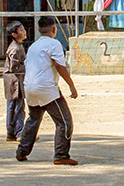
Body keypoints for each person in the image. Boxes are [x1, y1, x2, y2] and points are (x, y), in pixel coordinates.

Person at [16, 16, 79, 165]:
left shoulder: (32, 46)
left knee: (33, 119)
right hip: (46, 89)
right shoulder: (54, 44)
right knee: (65, 122)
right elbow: (59, 66)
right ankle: (61, 155)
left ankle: (21, 151)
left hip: (29, 87)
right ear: (54, 30)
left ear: (38, 30)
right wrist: (71, 85)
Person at [3, 21, 28, 141]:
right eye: (21, 30)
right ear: (14, 34)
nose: (24, 32)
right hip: (15, 82)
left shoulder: (18, 46)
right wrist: (28, 65)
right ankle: (19, 132)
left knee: (12, 107)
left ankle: (11, 133)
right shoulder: (15, 49)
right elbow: (14, 67)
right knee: (18, 108)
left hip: (14, 81)